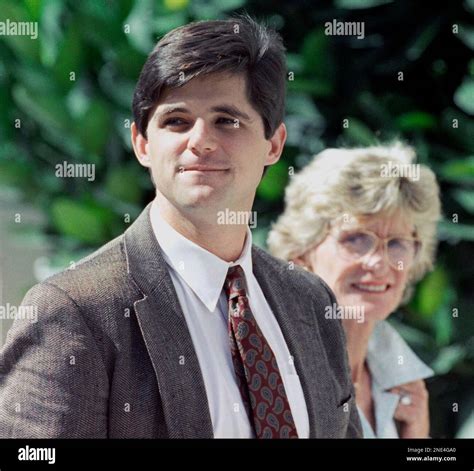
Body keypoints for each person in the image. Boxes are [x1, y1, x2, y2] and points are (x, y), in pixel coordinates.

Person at [0, 16, 361, 439]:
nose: (201, 141)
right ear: (142, 144)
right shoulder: (75, 311)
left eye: (227, 120)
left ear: (274, 144)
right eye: (176, 120)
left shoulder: (310, 301)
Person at [268, 143, 441, 438]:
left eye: (397, 243)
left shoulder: (404, 382)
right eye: (356, 239)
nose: (379, 261)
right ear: (301, 253)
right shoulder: (276, 374)